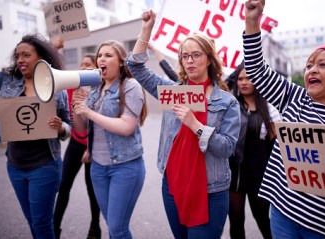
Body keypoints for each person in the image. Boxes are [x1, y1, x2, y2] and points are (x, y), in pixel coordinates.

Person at [244, 0, 325, 238]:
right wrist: (252, 20)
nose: (311, 70)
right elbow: (256, 69)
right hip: (283, 216)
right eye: (308, 66)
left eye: (322, 65)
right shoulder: (295, 99)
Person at [126, 10, 241, 239]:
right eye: (184, 56)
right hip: (173, 186)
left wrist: (195, 125)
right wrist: (147, 29)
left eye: (196, 55)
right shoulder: (174, 92)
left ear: (209, 58)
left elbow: (227, 148)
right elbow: (136, 67)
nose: (189, 61)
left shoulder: (227, 101)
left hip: (209, 190)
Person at [72, 40, 147, 239]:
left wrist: (89, 112)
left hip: (125, 167)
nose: (101, 59)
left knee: (117, 228)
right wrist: (78, 110)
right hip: (98, 167)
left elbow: (126, 127)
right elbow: (81, 130)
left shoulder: (131, 86)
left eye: (108, 55)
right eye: (100, 55)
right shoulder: (94, 89)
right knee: (113, 226)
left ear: (121, 62)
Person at [0, 34, 71, 238]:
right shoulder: (7, 80)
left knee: (41, 222)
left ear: (40, 58)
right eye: (18, 55)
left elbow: (69, 127)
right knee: (32, 220)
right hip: (15, 166)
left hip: (44, 166)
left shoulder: (57, 86)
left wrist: (60, 128)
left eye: (26, 55)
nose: (20, 59)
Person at [227, 62, 280, 239]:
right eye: (240, 78)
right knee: (236, 222)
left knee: (264, 221)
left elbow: (277, 145)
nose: (243, 82)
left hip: (260, 176)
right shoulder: (231, 105)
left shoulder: (269, 107)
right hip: (235, 174)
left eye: (248, 78)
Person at [54, 54, 101, 239]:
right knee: (64, 185)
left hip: (93, 145)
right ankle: (54, 228)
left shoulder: (99, 90)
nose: (83, 67)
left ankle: (95, 229)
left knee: (92, 190)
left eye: (88, 64)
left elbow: (100, 123)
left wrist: (90, 148)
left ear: (96, 68)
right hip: (75, 143)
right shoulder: (73, 86)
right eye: (81, 63)